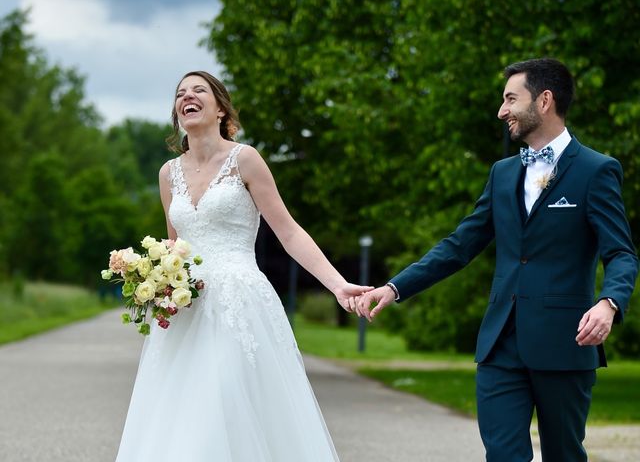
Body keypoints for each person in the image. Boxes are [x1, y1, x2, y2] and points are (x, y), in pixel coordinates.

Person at [355, 58, 638, 461]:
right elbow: (460, 245)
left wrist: (609, 303)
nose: (501, 110)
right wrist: (396, 286)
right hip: (499, 346)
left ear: (544, 101)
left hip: (564, 341)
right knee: (503, 456)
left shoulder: (596, 171)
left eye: (510, 99)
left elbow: (621, 253)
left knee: (564, 454)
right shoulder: (502, 174)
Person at [115, 70, 370, 461]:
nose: (188, 96)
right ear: (177, 113)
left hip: (238, 304)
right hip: (185, 310)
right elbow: (174, 246)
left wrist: (337, 284)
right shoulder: (168, 174)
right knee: (183, 415)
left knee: (225, 405)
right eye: (181, 93)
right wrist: (149, 274)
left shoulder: (244, 159)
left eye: (199, 90)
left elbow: (288, 232)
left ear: (220, 108)